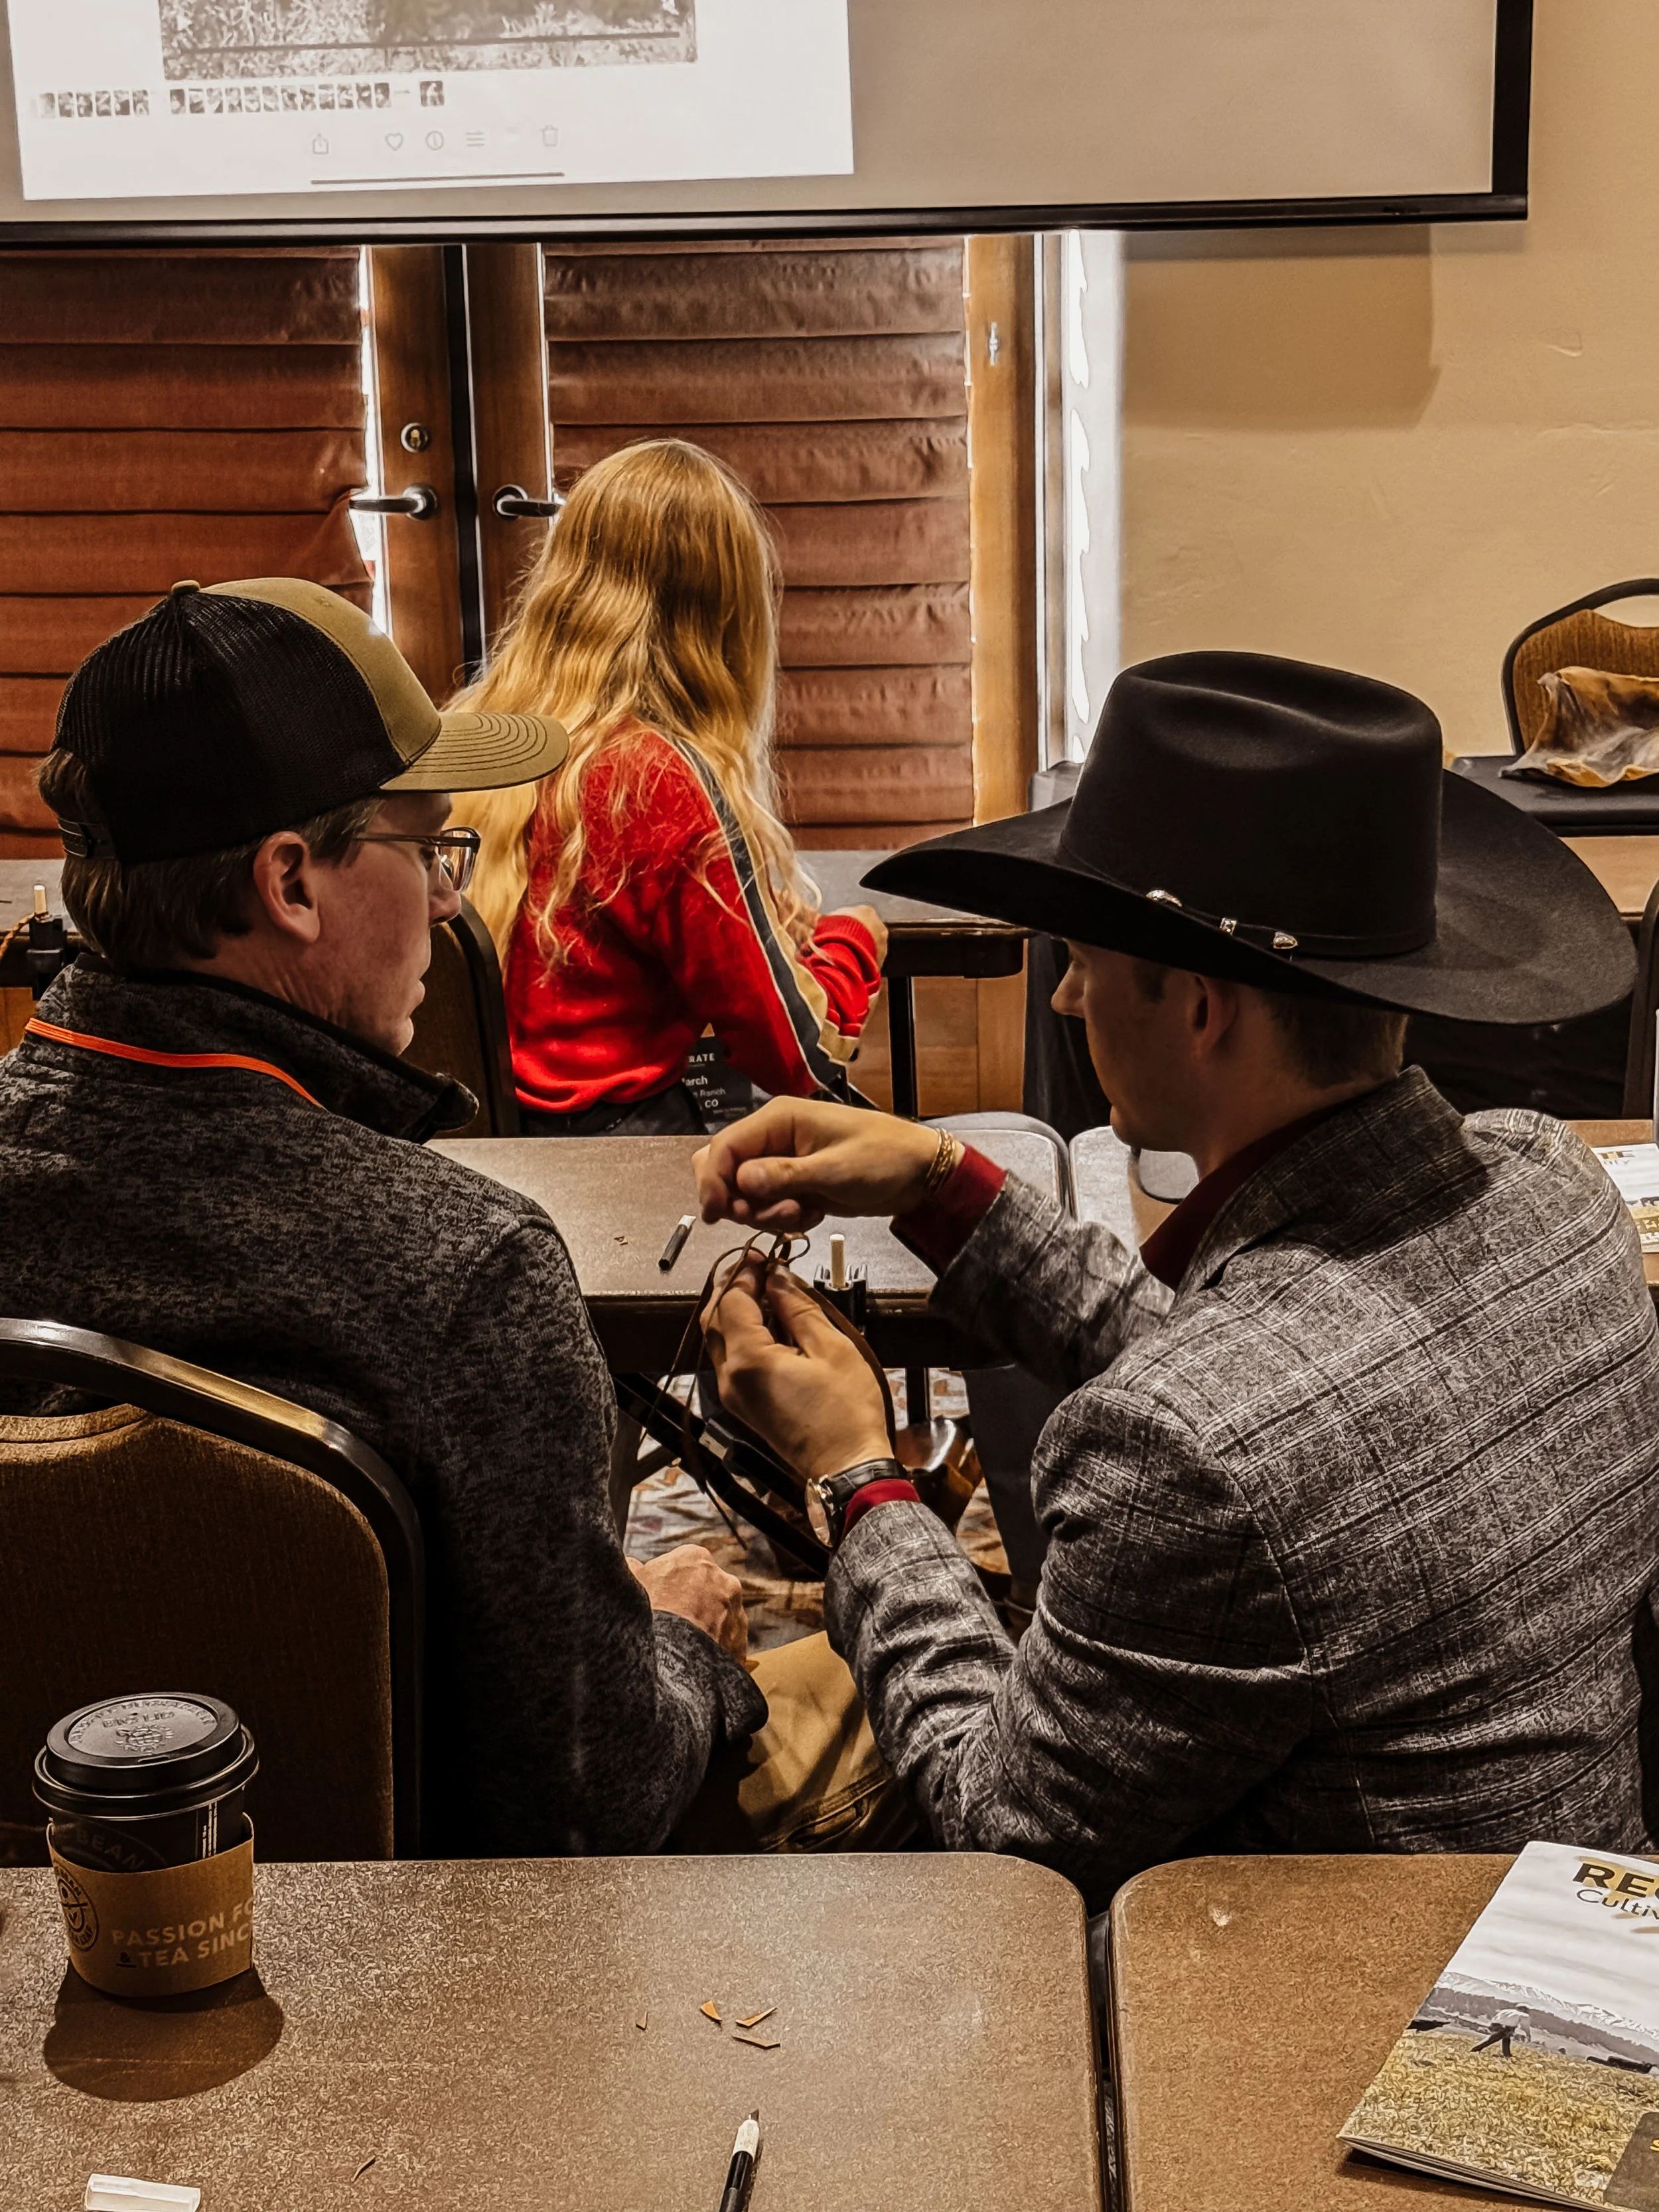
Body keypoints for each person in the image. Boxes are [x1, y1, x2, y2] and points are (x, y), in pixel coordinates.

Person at [693, 651, 1659, 1909]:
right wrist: (941, 1182)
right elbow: (1282, 1383)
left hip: (1337, 2021)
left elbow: (1005, 1825)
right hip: (1583, 1942)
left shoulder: (1191, 1451)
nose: (1068, 994)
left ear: (1202, 1007)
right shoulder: (1553, 1185)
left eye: (1088, 959)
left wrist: (859, 1479)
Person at [0, 576, 765, 1856]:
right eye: (431, 849)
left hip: (43, 1963)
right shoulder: (467, 1280)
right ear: (292, 882)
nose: (454, 899)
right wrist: (684, 1640)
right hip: (439, 1992)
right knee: (858, 1715)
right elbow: (586, 1803)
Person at [455, 437, 887, 1136]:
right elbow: (796, 1057)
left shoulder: (473, 737)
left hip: (483, 1157)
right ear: (723, 615)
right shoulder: (652, 778)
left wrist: (756, 926)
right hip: (614, 1161)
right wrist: (853, 943)